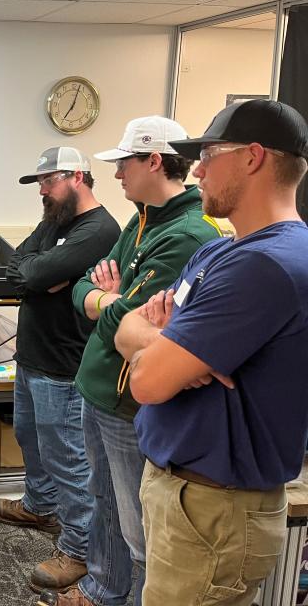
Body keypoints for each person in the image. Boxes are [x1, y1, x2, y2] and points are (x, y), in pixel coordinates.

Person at [114, 99, 308, 606]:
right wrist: (171, 347)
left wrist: (165, 352)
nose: (196, 170)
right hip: (187, 497)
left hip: (214, 509)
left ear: (253, 158)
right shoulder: (220, 251)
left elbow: (147, 382)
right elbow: (128, 328)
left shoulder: (268, 264)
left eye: (209, 154)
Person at [38, 117, 221, 606]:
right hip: (97, 386)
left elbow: (131, 320)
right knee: (105, 505)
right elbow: (87, 290)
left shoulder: (187, 234)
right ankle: (104, 591)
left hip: (127, 403)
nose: (117, 176)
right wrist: (105, 299)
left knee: (137, 523)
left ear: (154, 161)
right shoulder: (143, 220)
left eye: (124, 164)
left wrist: (105, 300)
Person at [0, 146, 120, 594]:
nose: (42, 191)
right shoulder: (55, 222)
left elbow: (30, 274)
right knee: (29, 437)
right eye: (40, 183)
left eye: (49, 181)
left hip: (64, 365)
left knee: (68, 459)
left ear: (78, 177)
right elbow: (18, 269)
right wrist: (43, 276)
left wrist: (38, 274)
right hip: (32, 357)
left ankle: (80, 551)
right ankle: (38, 505)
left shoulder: (100, 231)